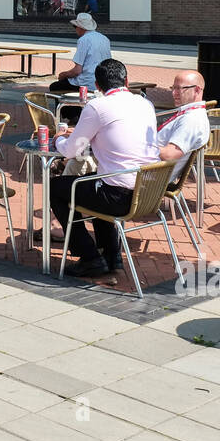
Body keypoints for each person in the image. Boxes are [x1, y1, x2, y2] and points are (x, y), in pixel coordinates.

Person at [49, 59, 157, 277]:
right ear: (127, 81)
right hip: (148, 191)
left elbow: (71, 151)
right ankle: (112, 256)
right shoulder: (146, 104)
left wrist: (58, 140)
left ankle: (89, 257)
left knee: (56, 188)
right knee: (96, 180)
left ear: (97, 86)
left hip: (118, 196)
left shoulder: (97, 106)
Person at [155, 70, 212, 180]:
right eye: (173, 88)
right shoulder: (189, 114)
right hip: (146, 171)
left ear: (197, 90)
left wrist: (141, 145)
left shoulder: (191, 119)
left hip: (148, 178)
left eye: (180, 89)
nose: (174, 93)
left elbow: (169, 155)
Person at [49, 12, 111, 94]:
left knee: (54, 87)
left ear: (80, 27)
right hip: (102, 81)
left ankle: (67, 106)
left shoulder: (83, 40)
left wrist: (63, 74)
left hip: (87, 82)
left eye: (75, 26)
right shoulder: (104, 38)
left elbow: (77, 71)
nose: (75, 29)